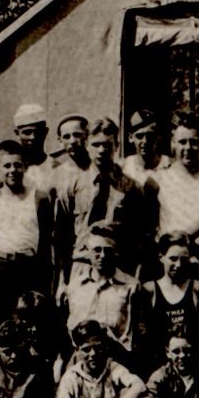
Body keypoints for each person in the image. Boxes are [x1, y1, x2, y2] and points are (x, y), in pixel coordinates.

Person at [53, 119, 154, 280]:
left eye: (107, 145)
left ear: (117, 146)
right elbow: (61, 238)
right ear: (86, 145)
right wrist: (61, 281)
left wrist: (136, 276)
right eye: (96, 145)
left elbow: (140, 237)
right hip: (82, 266)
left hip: (119, 268)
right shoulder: (72, 187)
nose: (101, 150)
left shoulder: (131, 188)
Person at [0, 139, 55, 312]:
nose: (13, 170)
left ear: (25, 167)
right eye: (7, 166)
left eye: (18, 165)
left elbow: (46, 242)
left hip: (29, 267)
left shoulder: (39, 198)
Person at [131, 233, 199, 380]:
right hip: (157, 369)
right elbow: (142, 336)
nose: (179, 265)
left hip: (191, 368)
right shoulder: (149, 290)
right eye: (173, 259)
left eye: (184, 259)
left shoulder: (197, 288)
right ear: (161, 257)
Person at [57, 225, 136, 366]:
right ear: (88, 252)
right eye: (97, 250)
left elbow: (134, 335)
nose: (103, 256)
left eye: (108, 250)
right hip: (81, 361)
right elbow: (69, 328)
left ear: (116, 251)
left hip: (118, 361)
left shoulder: (131, 286)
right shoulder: (75, 287)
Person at [146, 114, 199, 248]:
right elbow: (148, 226)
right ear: (173, 143)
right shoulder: (158, 179)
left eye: (193, 142)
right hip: (173, 255)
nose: (188, 148)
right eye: (182, 142)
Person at [10, 104, 51, 193]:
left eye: (38, 132)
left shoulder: (56, 169)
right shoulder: (10, 170)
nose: (33, 137)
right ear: (17, 133)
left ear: (45, 132)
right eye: (27, 132)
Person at [120, 109, 164, 184]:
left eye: (150, 136)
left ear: (158, 137)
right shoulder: (124, 168)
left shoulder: (169, 165)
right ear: (130, 137)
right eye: (139, 136)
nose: (145, 141)